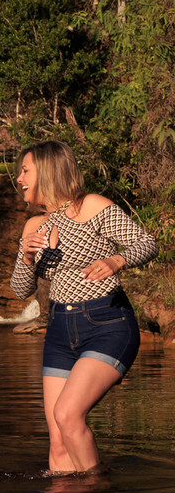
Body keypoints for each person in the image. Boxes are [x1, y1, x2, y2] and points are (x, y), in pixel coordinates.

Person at [11, 141, 158, 474]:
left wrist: (117, 259)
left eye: (25, 170)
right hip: (60, 332)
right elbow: (21, 290)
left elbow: (147, 243)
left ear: (47, 171)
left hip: (107, 323)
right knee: (58, 440)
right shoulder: (33, 227)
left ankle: (98, 492)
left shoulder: (91, 206)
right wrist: (27, 256)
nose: (18, 178)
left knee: (67, 415)